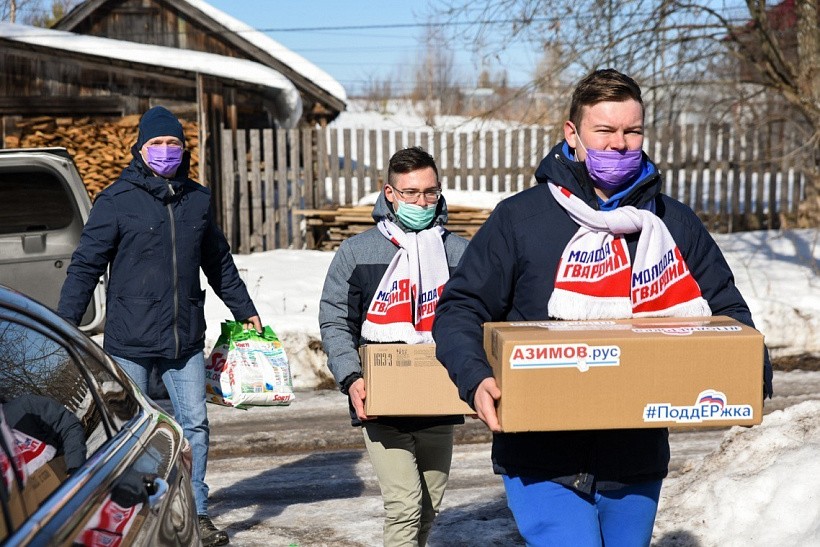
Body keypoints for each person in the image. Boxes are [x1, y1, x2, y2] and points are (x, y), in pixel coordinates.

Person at [432, 69, 773, 546]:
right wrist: (474, 376)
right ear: (573, 135)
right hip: (539, 453)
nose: (620, 144)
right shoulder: (521, 219)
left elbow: (727, 312)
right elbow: (460, 308)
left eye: (632, 131)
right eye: (605, 131)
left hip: (634, 455)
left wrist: (746, 367)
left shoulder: (671, 224)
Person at [58, 105, 261, 547]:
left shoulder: (198, 200)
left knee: (195, 427)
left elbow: (219, 263)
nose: (166, 151)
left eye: (173, 143)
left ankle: (198, 512)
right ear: (141, 149)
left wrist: (244, 308)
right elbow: (84, 266)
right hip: (130, 340)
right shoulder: (116, 201)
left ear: (183, 149)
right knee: (129, 432)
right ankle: (133, 514)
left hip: (183, 337)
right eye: (157, 144)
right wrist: (65, 325)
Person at [319, 146, 468, 546]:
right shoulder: (357, 252)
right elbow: (335, 320)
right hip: (381, 401)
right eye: (410, 193)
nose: (421, 202)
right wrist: (351, 377)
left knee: (429, 505)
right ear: (389, 193)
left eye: (430, 193)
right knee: (404, 506)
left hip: (439, 400)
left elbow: (476, 319)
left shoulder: (459, 253)